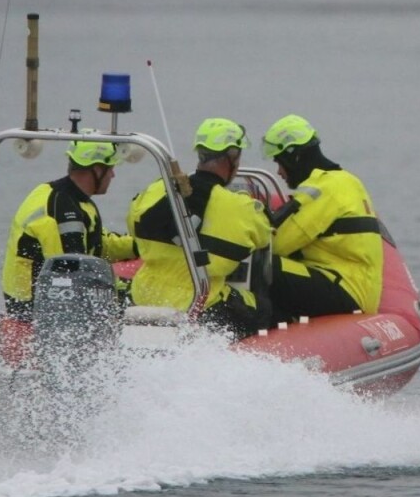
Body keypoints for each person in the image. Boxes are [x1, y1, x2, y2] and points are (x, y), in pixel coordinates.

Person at [127, 118, 272, 338]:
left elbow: (131, 224)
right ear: (232, 157)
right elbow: (263, 238)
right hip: (202, 302)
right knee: (264, 309)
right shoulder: (241, 207)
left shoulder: (157, 189)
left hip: (144, 295)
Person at [262, 114, 384, 322]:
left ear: (295, 157)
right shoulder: (347, 181)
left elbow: (278, 243)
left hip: (344, 288)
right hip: (357, 286)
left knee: (259, 264)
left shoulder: (321, 190)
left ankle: (252, 329)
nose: (279, 172)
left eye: (280, 162)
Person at [2, 139, 137, 321]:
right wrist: (120, 291)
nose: (112, 175)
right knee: (132, 299)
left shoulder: (72, 199)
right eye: (110, 168)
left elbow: (99, 245)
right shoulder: (62, 211)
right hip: (34, 309)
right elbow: (69, 271)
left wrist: (141, 246)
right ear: (96, 169)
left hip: (52, 298)